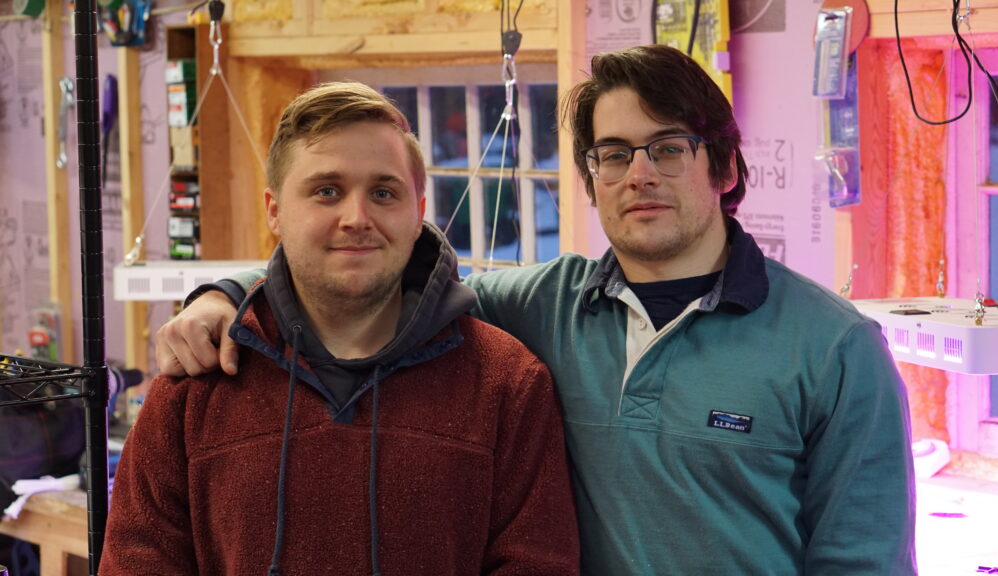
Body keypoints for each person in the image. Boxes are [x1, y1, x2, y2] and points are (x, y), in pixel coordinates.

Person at [156, 46, 917, 574]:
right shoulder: (541, 306)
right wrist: (230, 293)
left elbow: (864, 561)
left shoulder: (835, 348)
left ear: (722, 164)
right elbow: (370, 276)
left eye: (668, 147)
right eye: (613, 153)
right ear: (591, 177)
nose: (639, 174)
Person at [101, 82, 580, 575]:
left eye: (383, 193)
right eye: (327, 191)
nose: (357, 218)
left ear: (418, 213)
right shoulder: (196, 385)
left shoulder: (507, 385)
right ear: (274, 211)